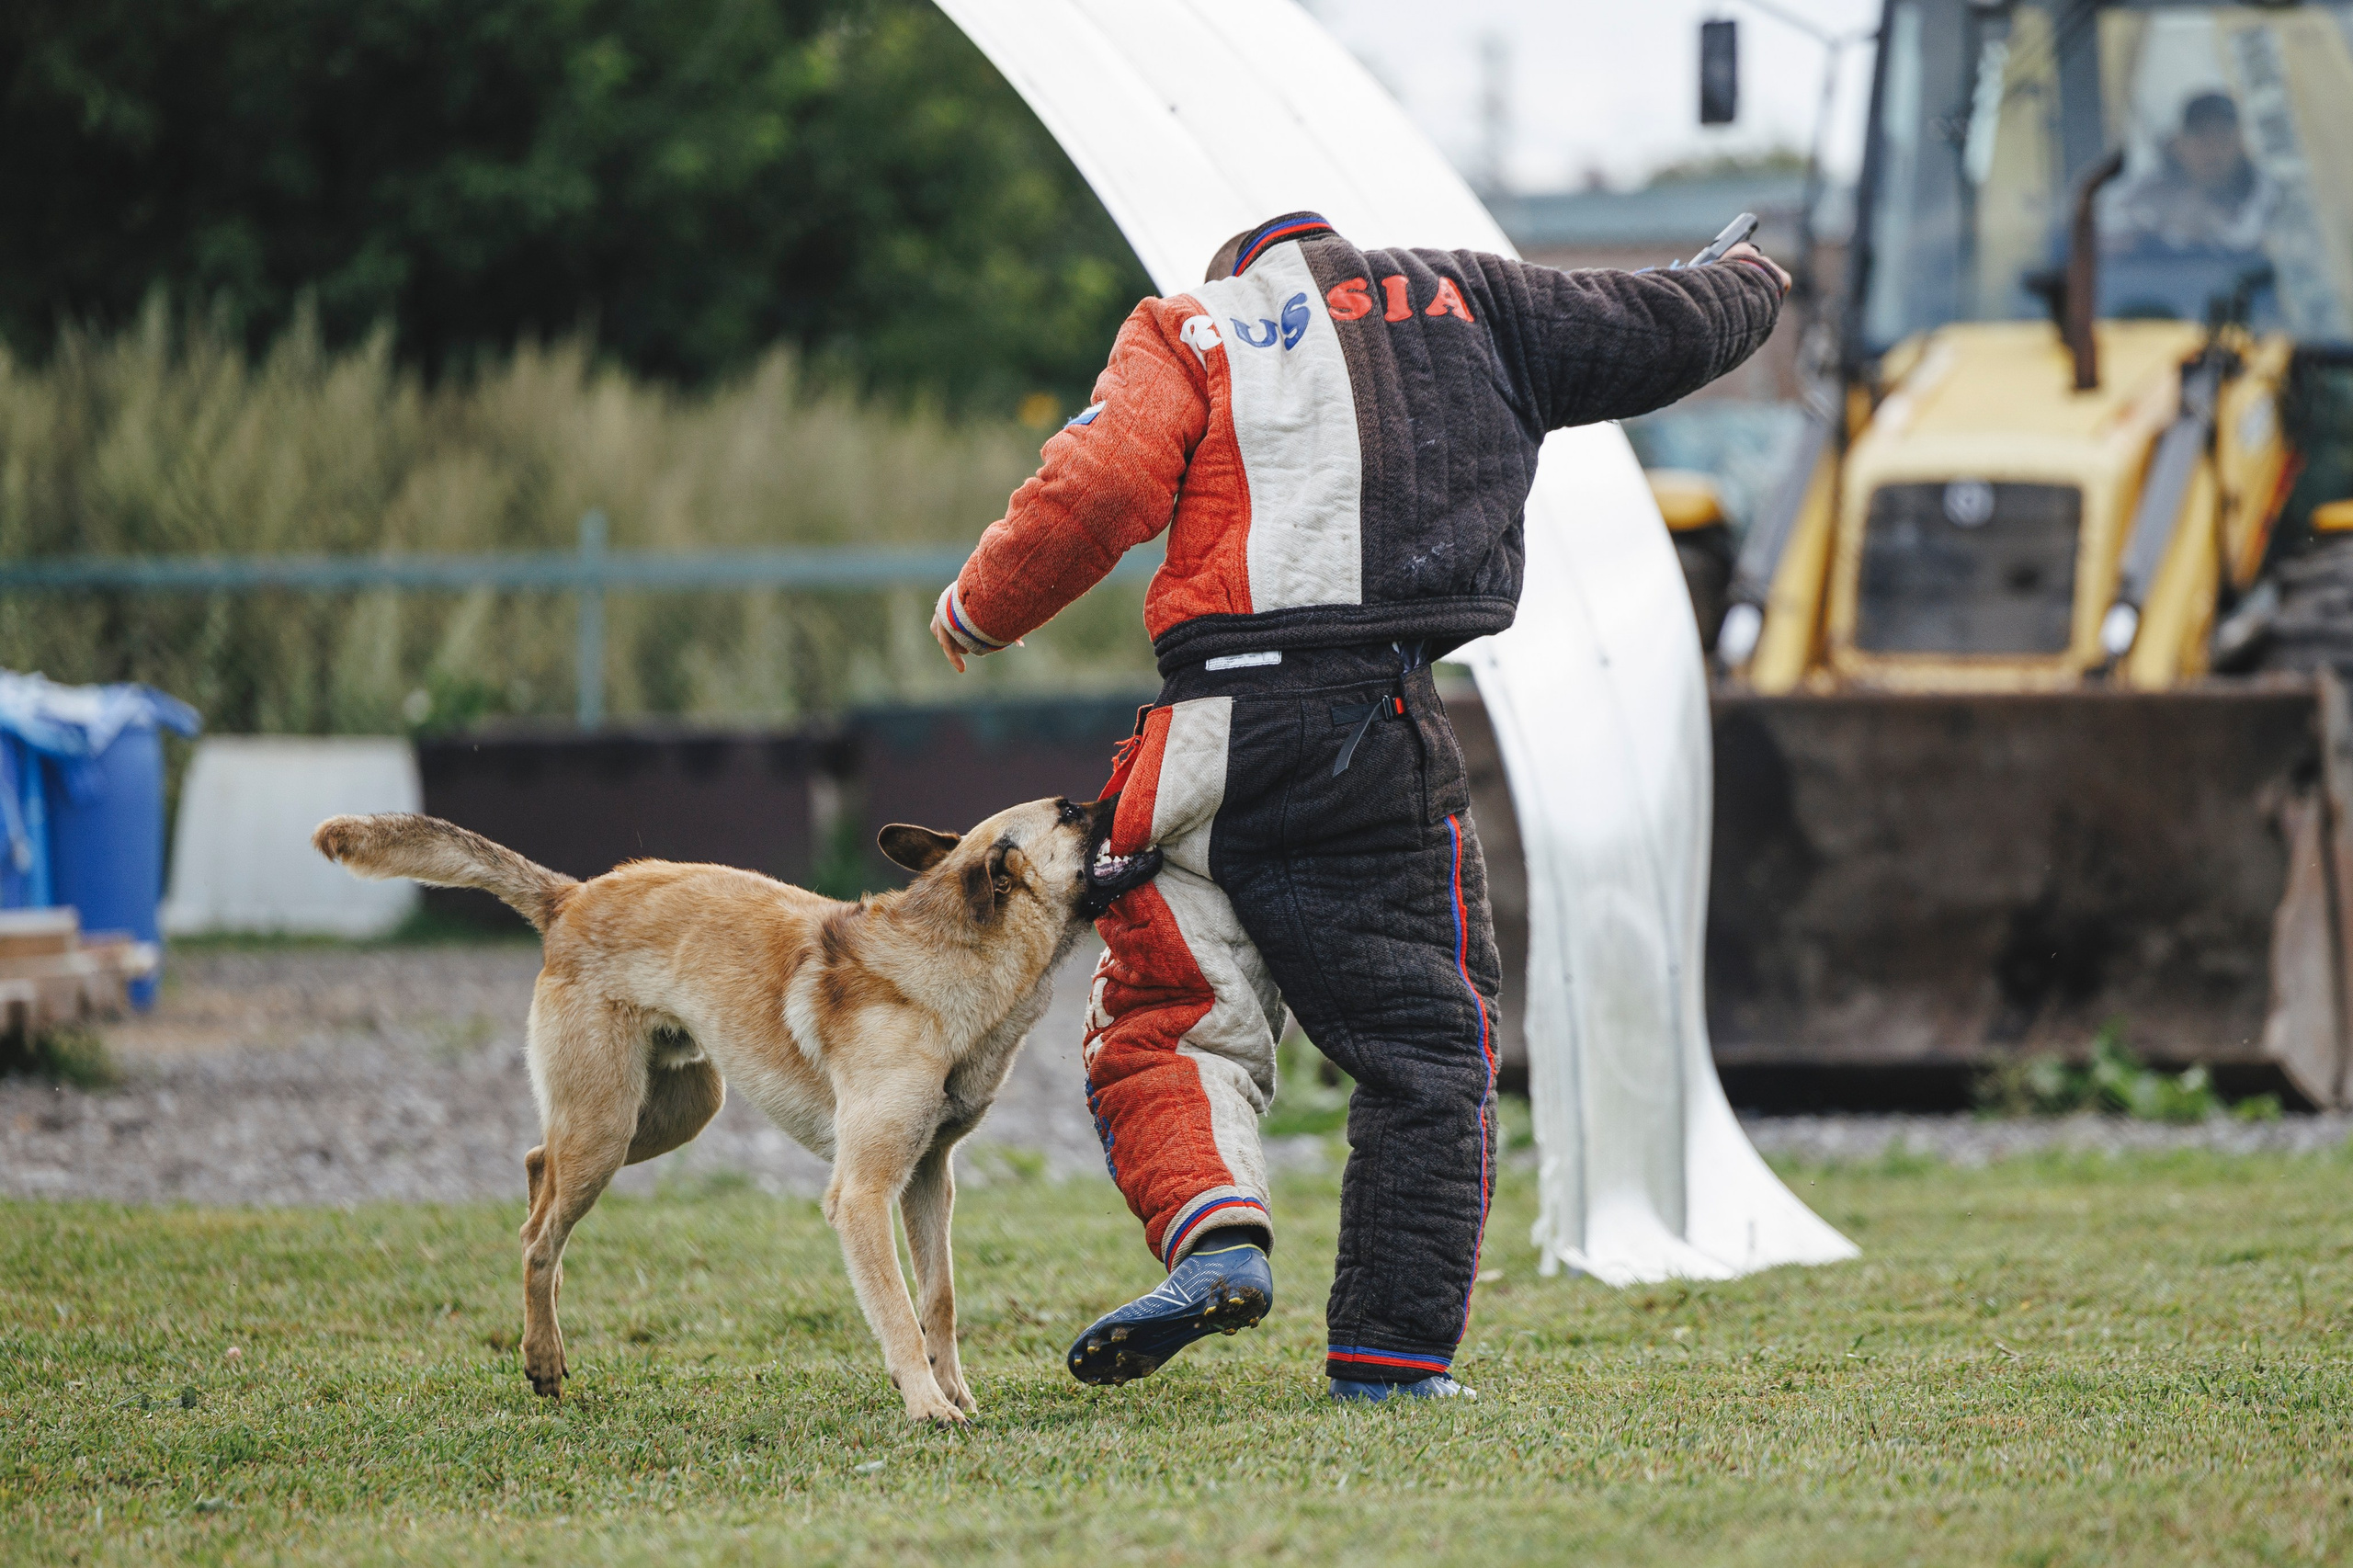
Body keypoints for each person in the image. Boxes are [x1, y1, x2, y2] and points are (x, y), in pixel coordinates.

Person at [930, 212, 1788, 1402]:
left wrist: (980, 606)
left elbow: (1097, 483)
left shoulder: (1189, 326)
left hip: (1206, 737)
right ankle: (1393, 1357)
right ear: (1344, 257)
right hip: (1375, 726)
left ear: (1246, 270)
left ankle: (1217, 1232)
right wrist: (1746, 279)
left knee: (1169, 1017)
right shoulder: (1473, 302)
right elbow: (1664, 326)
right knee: (1429, 1047)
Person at [2111, 91, 2276, 255]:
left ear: (2240, 144)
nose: (2213, 150)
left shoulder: (2265, 194)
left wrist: (2212, 228)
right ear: (2179, 145)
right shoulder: (2153, 191)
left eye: (2223, 137)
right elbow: (2114, 224)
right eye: (2201, 137)